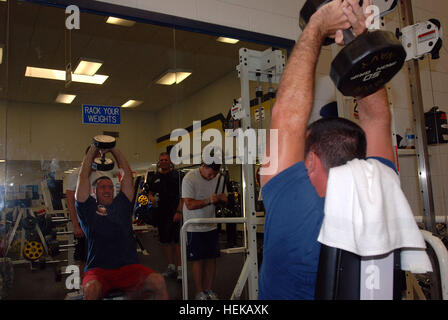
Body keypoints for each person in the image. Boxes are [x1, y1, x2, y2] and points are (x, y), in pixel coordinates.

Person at [258, 0, 396, 299]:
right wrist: (358, 36)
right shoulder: (381, 192)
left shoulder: (294, 211)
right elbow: (378, 118)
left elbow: (287, 113)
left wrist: (317, 24)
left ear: (310, 160)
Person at [75, 141, 168, 300]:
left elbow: (127, 178)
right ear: (94, 192)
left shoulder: (122, 205)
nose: (107, 190)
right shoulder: (88, 209)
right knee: (91, 290)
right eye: (102, 187)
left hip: (128, 269)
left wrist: (114, 149)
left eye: (110, 187)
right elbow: (83, 177)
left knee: (158, 281)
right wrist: (93, 150)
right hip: (98, 271)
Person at [65, 146, 114, 276]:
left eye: (100, 156)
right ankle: (82, 288)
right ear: (88, 157)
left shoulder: (103, 174)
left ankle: (99, 284)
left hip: (102, 221)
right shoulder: (76, 175)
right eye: (96, 155)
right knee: (83, 257)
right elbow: (70, 201)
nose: (98, 158)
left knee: (102, 254)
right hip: (85, 221)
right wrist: (76, 225)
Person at [182, 162, 227, 300]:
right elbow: (189, 204)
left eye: (214, 174)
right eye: (210, 174)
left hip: (211, 225)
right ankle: (200, 292)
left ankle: (208, 290)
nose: (212, 177)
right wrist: (209, 200)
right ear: (203, 166)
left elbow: (225, 198)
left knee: (211, 259)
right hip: (193, 226)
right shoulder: (190, 178)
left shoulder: (219, 178)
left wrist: (220, 198)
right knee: (199, 260)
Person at [147, 152, 184, 281]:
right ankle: (171, 267)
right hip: (161, 214)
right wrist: (151, 198)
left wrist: (179, 211)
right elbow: (150, 193)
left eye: (165, 160)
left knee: (177, 242)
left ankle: (180, 269)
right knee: (165, 241)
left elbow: (183, 196)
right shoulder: (155, 177)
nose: (163, 162)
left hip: (175, 213)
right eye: (161, 160)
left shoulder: (177, 176)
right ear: (159, 162)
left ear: (170, 161)